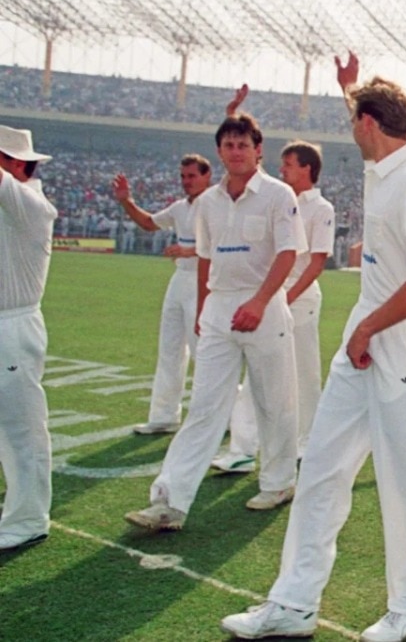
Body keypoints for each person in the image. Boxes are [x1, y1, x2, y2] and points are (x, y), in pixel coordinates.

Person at [221, 56, 406, 642]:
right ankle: (293, 604)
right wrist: (351, 87)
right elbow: (368, 114)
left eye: (355, 119)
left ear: (370, 125)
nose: (351, 130)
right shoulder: (382, 167)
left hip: (401, 341)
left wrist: (369, 328)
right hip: (365, 338)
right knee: (320, 468)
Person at [124, 112, 304, 531]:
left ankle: (278, 481)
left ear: (258, 149)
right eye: (229, 145)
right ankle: (169, 500)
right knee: (204, 406)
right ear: (220, 151)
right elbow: (205, 259)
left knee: (274, 401)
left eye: (244, 145)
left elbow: (287, 253)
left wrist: (260, 302)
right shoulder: (207, 202)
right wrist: (205, 307)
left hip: (265, 306)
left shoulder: (279, 195)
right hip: (221, 307)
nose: (236, 152)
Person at [212, 139, 335, 472]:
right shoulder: (274, 198)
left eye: (289, 165)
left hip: (299, 300)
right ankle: (242, 448)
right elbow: (250, 172)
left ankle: (305, 442)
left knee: (303, 374)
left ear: (307, 168)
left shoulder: (321, 208)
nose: (282, 170)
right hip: (267, 297)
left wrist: (287, 296)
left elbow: (316, 262)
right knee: (256, 373)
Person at [113, 155, 213, 435]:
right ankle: (164, 415)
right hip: (180, 279)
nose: (187, 182)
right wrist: (126, 200)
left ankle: (226, 413)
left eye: (192, 176)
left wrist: (189, 250)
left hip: (204, 281)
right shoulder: (180, 208)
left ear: (207, 175)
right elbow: (149, 223)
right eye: (183, 176)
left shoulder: (217, 204)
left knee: (203, 351)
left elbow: (224, 244)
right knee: (170, 348)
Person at [0, 125, 56, 552]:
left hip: (12, 327)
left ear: (18, 165)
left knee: (22, 428)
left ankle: (29, 518)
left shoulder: (31, 203)